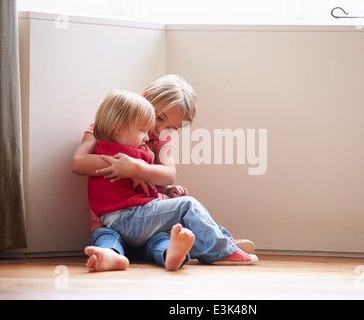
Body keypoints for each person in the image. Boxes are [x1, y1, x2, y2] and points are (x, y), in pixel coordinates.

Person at [71, 75, 257, 272]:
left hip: (148, 228)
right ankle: (220, 247)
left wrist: (152, 178)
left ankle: (176, 255)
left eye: (170, 128)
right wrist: (129, 166)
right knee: (106, 239)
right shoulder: (107, 126)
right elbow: (78, 163)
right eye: (160, 118)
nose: (159, 128)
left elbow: (168, 174)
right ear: (147, 98)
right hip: (110, 225)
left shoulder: (162, 141)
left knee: (164, 241)